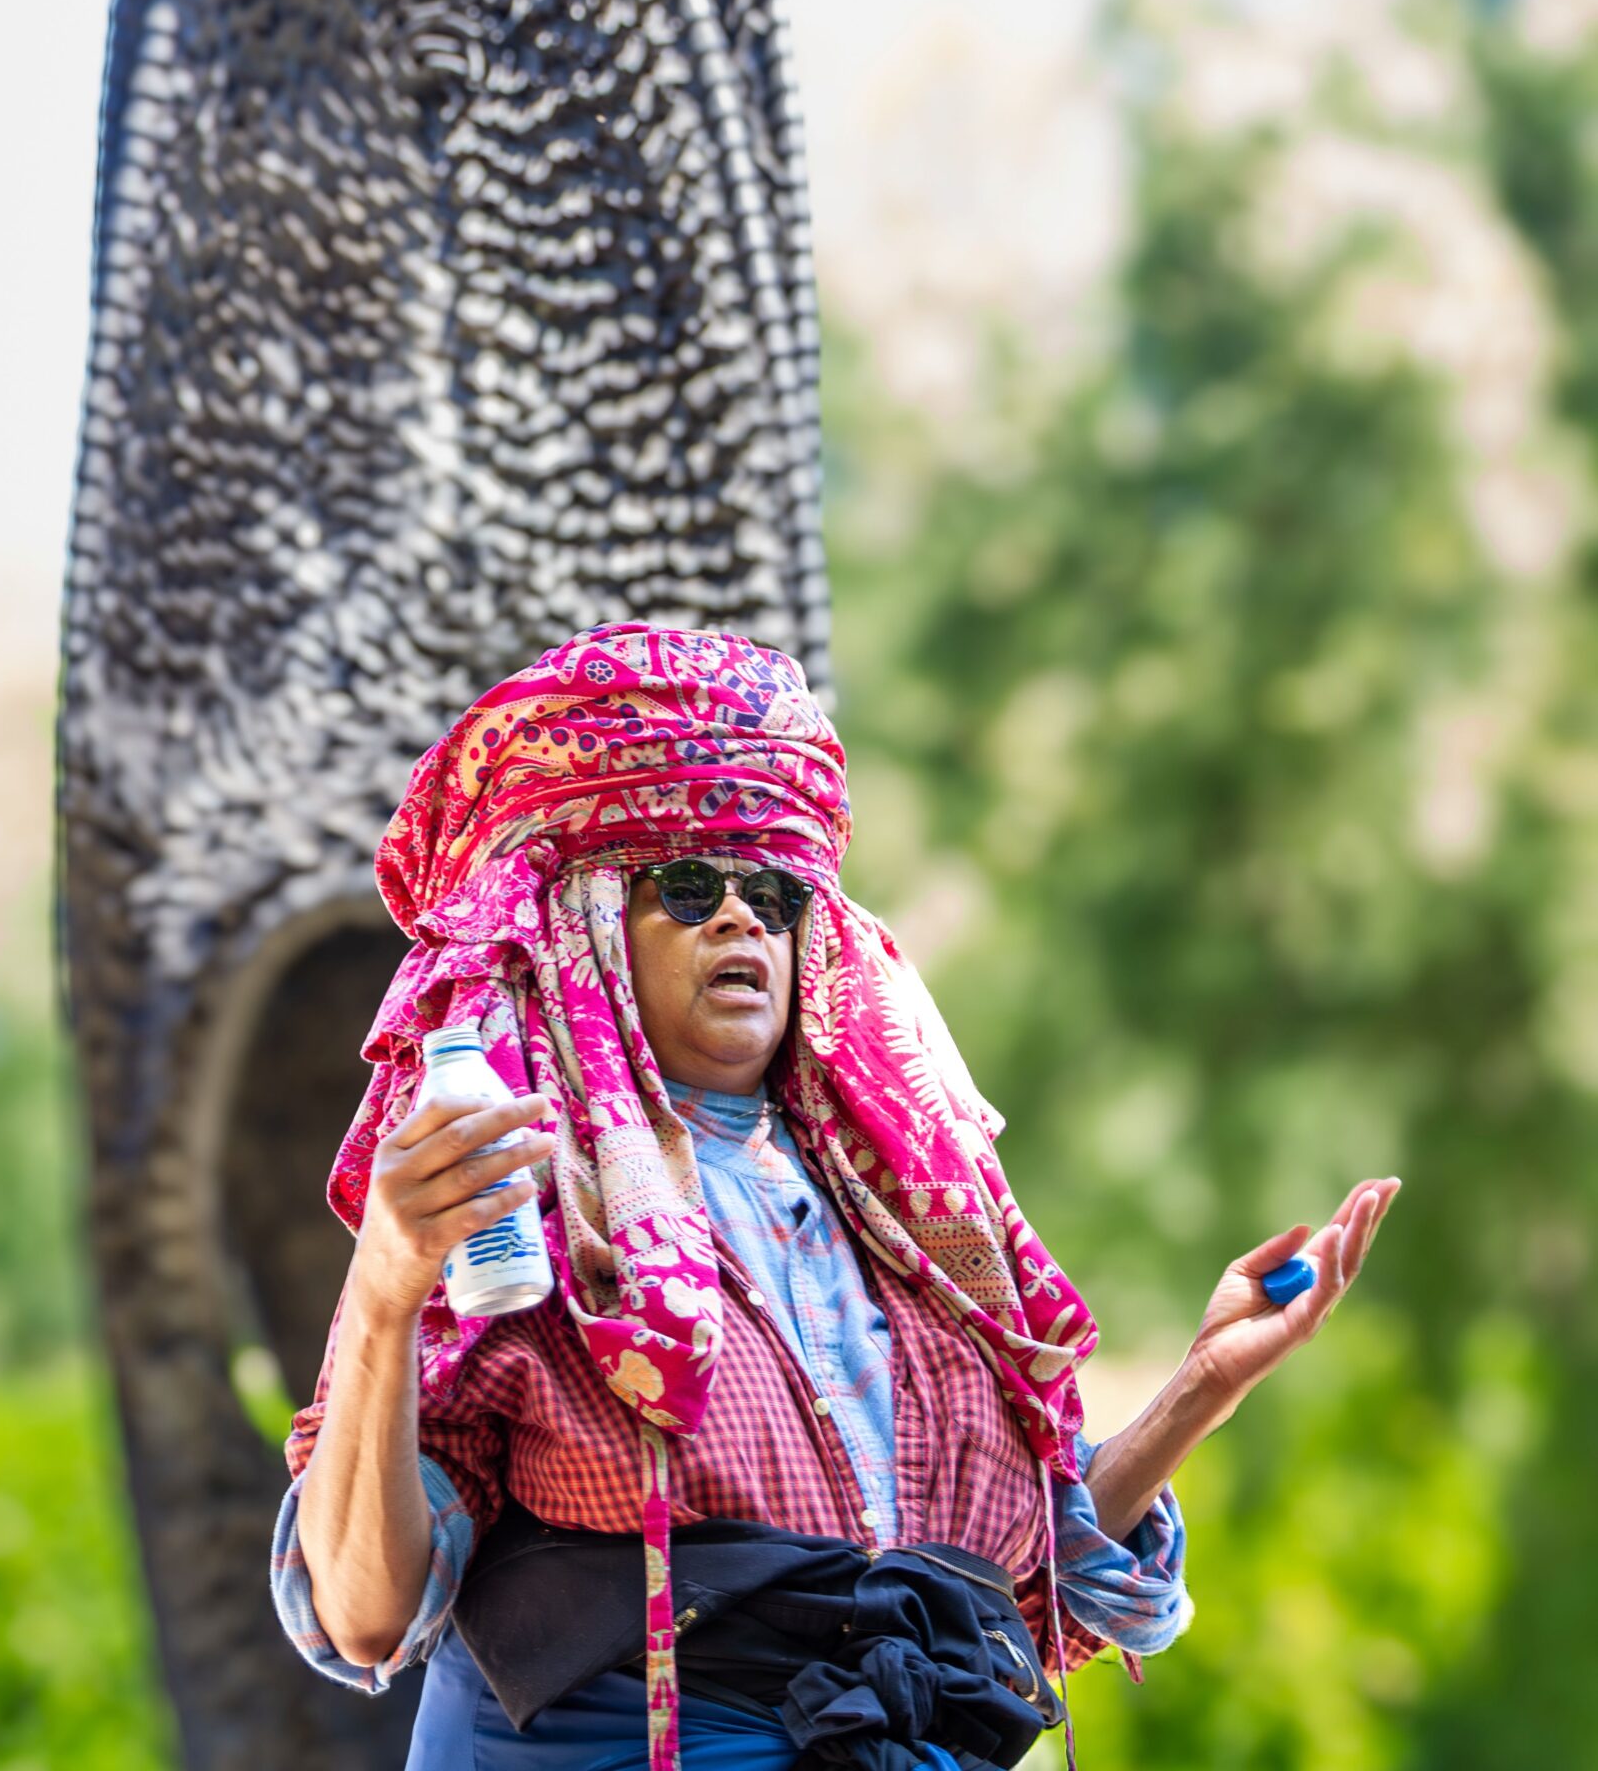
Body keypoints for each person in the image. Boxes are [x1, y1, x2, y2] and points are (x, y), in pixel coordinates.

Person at [271, 623, 1397, 1770]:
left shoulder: (905, 1225)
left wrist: (1203, 1387)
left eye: (770, 890)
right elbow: (364, 1612)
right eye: (689, 884)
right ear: (588, 924)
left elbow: (1011, 1592)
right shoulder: (520, 1202)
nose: (741, 917)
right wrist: (383, 1294)